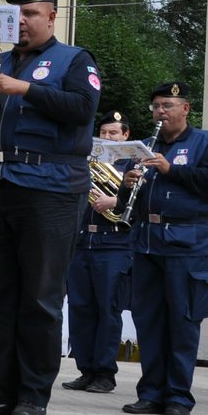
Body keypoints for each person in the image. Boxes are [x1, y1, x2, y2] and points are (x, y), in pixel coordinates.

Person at [0, 0, 100, 415]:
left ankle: (33, 396)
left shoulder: (74, 60)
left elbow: (82, 109)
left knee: (39, 297)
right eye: (16, 15)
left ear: (52, 17)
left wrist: (23, 89)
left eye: (32, 14)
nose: (23, 22)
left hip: (50, 188)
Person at [121, 82, 208, 415]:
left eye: (168, 105)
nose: (160, 112)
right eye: (156, 106)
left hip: (188, 243)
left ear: (185, 108)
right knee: (149, 322)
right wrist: (126, 186)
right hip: (148, 242)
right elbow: (130, 202)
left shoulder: (206, 142)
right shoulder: (145, 145)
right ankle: (150, 393)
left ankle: (179, 396)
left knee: (182, 323)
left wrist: (171, 170)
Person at [62, 111, 134, 394]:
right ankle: (85, 369)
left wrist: (116, 199)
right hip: (82, 243)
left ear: (125, 136)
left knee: (108, 310)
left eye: (114, 133)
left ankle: (105, 372)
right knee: (80, 309)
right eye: (103, 133)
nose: (107, 138)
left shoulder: (133, 165)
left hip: (114, 245)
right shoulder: (86, 163)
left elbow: (141, 199)